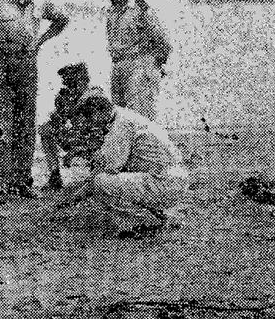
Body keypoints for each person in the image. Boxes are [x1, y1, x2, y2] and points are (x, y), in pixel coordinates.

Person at [0, 0, 69, 203]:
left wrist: (41, 41)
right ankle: (0, 183)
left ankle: (23, 181)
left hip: (27, 65)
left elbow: (62, 19)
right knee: (0, 123)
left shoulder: (39, 0)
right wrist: (4, 37)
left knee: (26, 123)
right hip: (0, 63)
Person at [57, 90, 188, 238]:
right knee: (113, 180)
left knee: (101, 183)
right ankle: (159, 215)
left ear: (100, 109)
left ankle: (146, 221)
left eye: (88, 115)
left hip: (164, 184)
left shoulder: (121, 125)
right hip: (171, 181)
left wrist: (74, 196)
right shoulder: (123, 117)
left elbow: (108, 168)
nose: (89, 122)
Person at [101, 0, 171, 118]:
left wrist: (155, 67)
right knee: (120, 118)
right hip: (117, 67)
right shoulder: (110, 12)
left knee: (140, 116)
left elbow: (162, 42)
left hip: (137, 67)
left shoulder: (139, 10)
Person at [39, 62, 93, 190]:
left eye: (73, 83)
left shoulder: (94, 98)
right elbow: (58, 121)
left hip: (96, 142)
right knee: (46, 129)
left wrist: (73, 151)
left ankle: (96, 178)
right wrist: (58, 117)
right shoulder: (65, 97)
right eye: (67, 82)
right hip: (79, 139)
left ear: (84, 80)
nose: (69, 87)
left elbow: (100, 134)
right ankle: (55, 176)